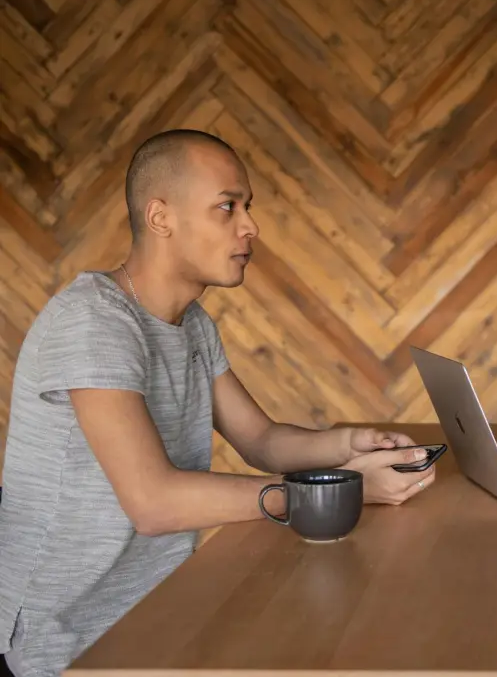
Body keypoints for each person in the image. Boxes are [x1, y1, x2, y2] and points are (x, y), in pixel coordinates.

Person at [0, 129, 437, 677]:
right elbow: (154, 503)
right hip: (69, 644)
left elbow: (260, 440)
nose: (250, 226)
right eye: (227, 207)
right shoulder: (94, 322)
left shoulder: (191, 324)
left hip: (157, 617)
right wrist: (334, 494)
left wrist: (349, 444)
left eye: (247, 207)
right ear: (161, 218)